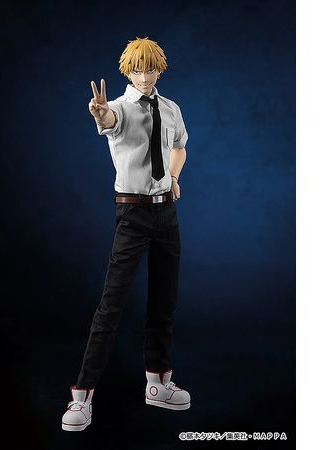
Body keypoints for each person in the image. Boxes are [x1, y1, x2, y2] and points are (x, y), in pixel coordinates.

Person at [61, 37, 190, 432]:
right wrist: (100, 113)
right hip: (132, 213)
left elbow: (179, 147)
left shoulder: (171, 108)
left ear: (159, 69)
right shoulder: (119, 107)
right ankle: (82, 396)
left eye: (150, 68)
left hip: (165, 214)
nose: (144, 76)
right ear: (127, 71)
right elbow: (108, 123)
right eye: (137, 69)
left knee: (164, 300)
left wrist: (173, 177)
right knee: (112, 304)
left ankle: (158, 382)